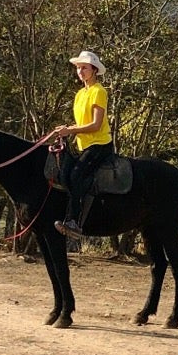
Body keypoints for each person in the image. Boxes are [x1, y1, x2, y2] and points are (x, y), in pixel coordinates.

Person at [52, 50, 113, 238]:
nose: (80, 71)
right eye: (78, 68)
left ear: (94, 70)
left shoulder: (99, 92)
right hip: (84, 145)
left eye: (84, 67)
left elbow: (95, 125)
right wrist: (67, 129)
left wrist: (70, 130)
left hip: (99, 144)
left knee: (76, 175)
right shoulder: (80, 94)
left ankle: (74, 222)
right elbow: (82, 123)